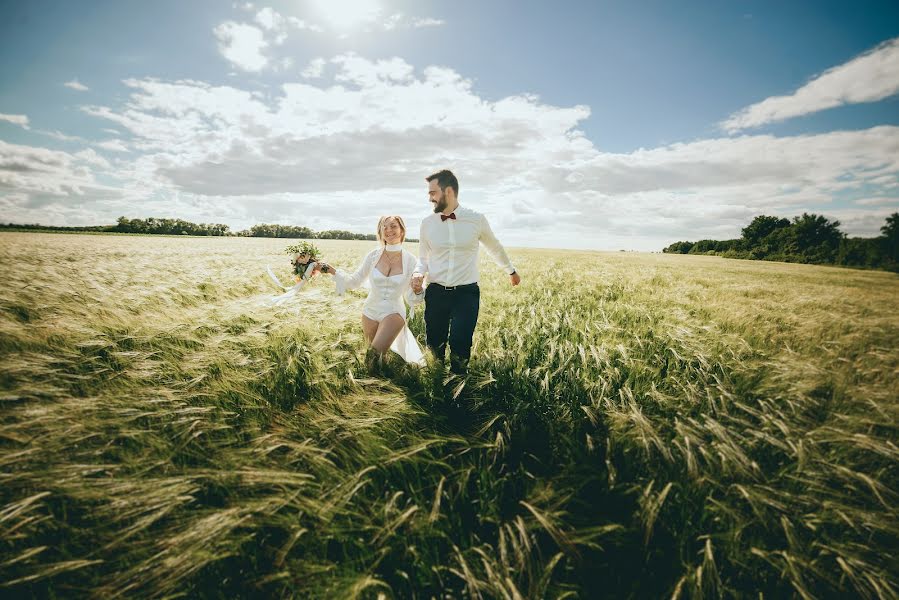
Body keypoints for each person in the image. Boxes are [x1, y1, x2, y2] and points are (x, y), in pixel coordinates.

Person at [411, 169, 521, 375]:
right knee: (435, 344)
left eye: (433, 193)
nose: (429, 198)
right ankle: (436, 385)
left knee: (461, 342)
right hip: (436, 292)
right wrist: (418, 274)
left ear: (449, 191)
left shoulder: (476, 219)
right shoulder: (427, 224)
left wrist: (511, 271)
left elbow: (494, 247)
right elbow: (423, 259)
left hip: (466, 294)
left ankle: (458, 387)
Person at [318, 216, 426, 365]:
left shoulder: (411, 260)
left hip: (393, 312)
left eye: (393, 226)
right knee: (376, 359)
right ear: (380, 231)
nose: (388, 230)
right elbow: (353, 282)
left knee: (373, 356)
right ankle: (381, 382)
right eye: (384, 227)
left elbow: (412, 298)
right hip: (369, 311)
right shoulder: (373, 256)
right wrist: (331, 270)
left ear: (402, 230)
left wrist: (418, 289)